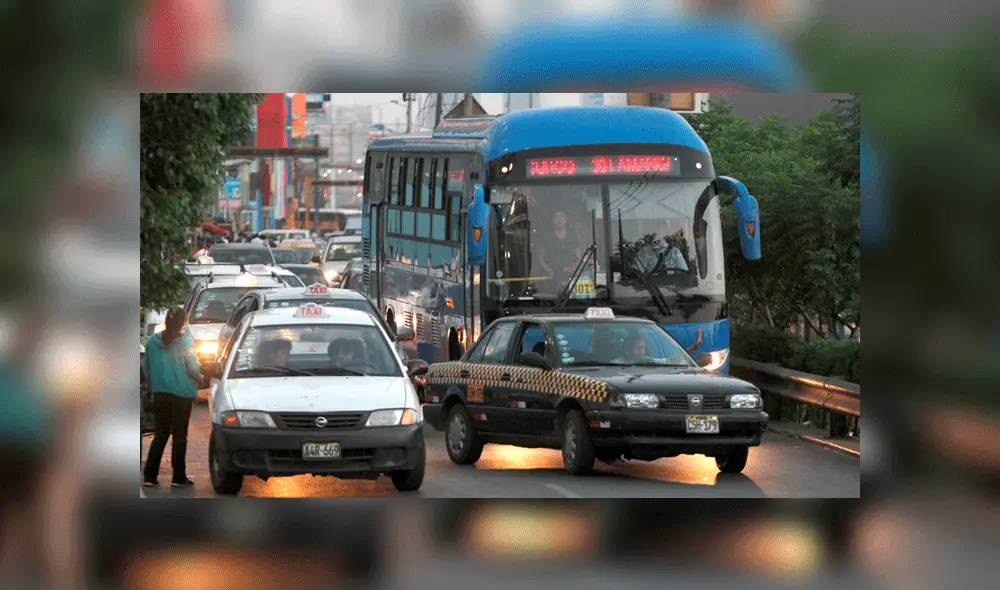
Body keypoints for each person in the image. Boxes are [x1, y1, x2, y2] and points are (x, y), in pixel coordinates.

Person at [142, 308, 201, 488]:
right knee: (180, 435)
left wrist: (153, 388)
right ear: (183, 323)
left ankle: (150, 477)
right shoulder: (185, 342)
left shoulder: (152, 342)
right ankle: (178, 477)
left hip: (160, 394)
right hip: (182, 394)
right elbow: (192, 367)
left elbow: (146, 369)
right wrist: (200, 379)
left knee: (161, 434)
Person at [537, 210, 585, 284]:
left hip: (571, 279)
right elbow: (541, 259)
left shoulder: (573, 237)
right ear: (552, 220)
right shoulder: (546, 237)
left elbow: (579, 258)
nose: (559, 219)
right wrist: (549, 270)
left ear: (566, 220)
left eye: (562, 216)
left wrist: (573, 269)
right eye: (556, 216)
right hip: (552, 279)